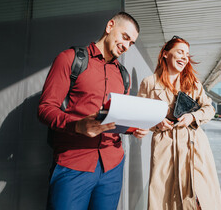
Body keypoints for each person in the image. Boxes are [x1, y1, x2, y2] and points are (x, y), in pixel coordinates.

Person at [38, 12, 149, 210]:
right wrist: (77, 125)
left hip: (112, 166)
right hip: (73, 164)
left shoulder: (123, 76)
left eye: (131, 43)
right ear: (110, 26)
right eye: (125, 37)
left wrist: (134, 129)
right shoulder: (69, 59)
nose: (126, 46)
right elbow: (45, 109)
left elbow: (116, 118)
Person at [137, 36, 221, 209]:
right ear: (165, 54)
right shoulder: (149, 83)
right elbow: (139, 114)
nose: (184, 57)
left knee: (200, 199)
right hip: (165, 150)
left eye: (187, 54)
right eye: (180, 52)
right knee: (167, 200)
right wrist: (157, 122)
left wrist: (192, 117)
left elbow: (209, 109)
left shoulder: (193, 83)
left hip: (195, 147)